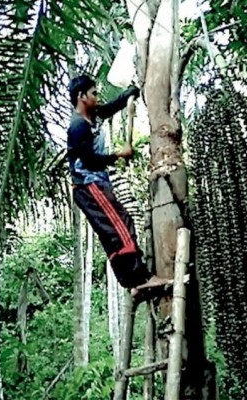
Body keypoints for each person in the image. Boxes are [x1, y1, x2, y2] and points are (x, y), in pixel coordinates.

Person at [67, 74, 169, 296]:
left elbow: (115, 104)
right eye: (94, 93)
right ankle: (140, 277)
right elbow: (90, 161)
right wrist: (118, 155)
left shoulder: (95, 115)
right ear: (81, 96)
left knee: (112, 234)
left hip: (95, 185)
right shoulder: (78, 126)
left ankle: (131, 282)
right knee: (121, 225)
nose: (98, 96)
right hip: (88, 185)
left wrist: (130, 92)